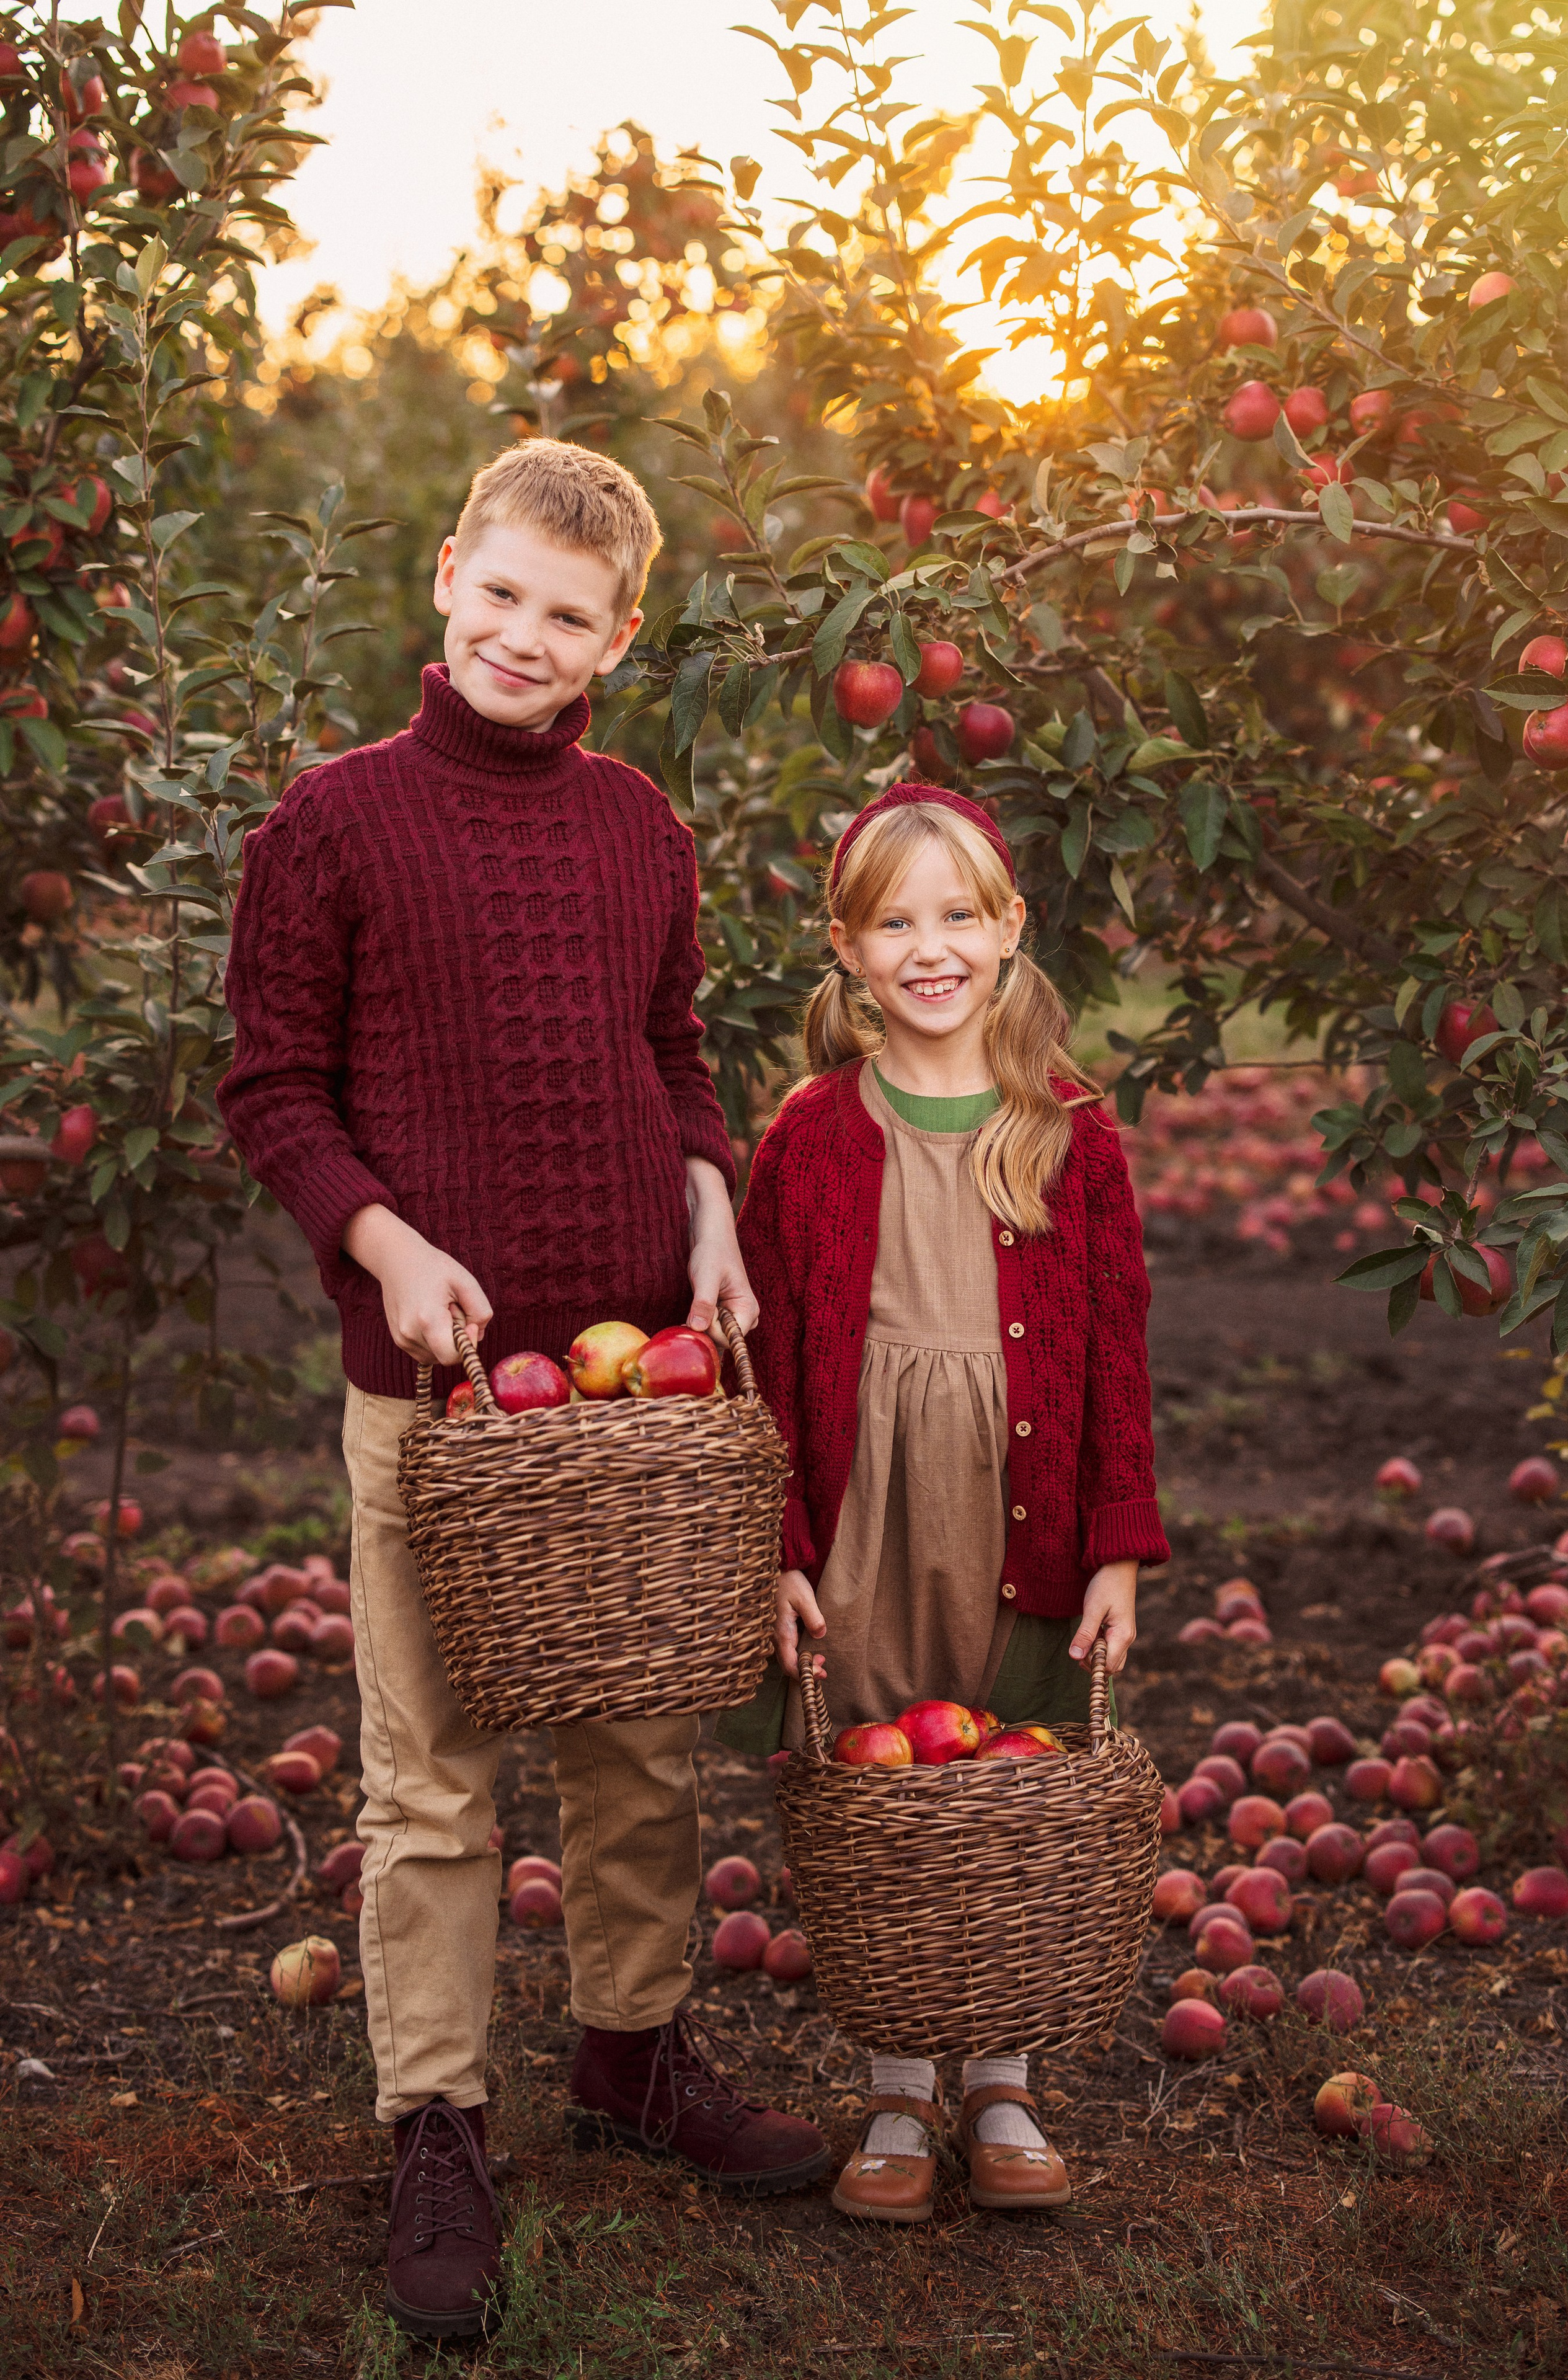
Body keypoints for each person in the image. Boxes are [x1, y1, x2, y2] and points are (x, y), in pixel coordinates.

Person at [218, 438, 828, 2343]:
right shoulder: (332, 822)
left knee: (643, 1742)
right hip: (441, 1387)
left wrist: (714, 1205)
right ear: (445, 581)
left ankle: (634, 2054)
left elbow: (675, 1046)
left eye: (567, 617)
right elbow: (273, 1084)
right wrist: (385, 1242)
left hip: (635, 1381)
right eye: (498, 594)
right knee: (431, 1778)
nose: (521, 634)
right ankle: (437, 2112)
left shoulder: (643, 829)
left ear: (616, 641)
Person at [725, 780, 1169, 2224]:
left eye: (958, 914)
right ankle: (901, 2079)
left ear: (1007, 929)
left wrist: (1115, 1543)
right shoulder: (807, 1135)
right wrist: (780, 1547)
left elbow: (1113, 1350)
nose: (931, 945)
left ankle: (1000, 2069)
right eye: (894, 919)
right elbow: (769, 1366)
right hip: (865, 1501)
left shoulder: (1066, 1133)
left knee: (1006, 1765)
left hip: (1016, 1495)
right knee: (883, 1776)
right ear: (847, 949)